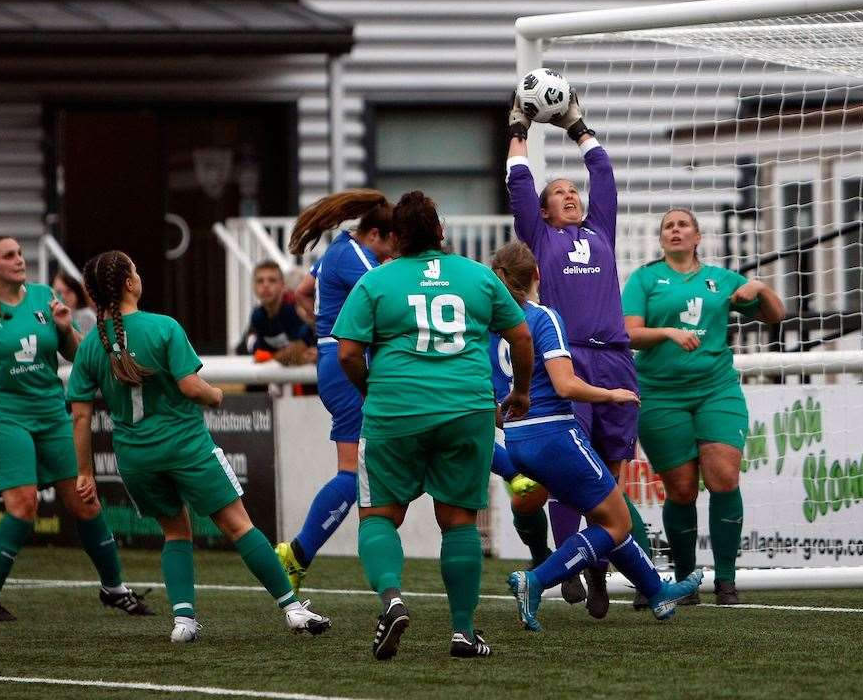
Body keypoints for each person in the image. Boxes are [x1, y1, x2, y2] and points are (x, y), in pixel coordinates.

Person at [67, 250, 330, 643]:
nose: (139, 275)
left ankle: (183, 622)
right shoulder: (163, 327)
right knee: (239, 526)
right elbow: (191, 386)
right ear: (128, 284)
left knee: (175, 533)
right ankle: (292, 608)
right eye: (135, 270)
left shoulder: (91, 346)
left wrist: (85, 472)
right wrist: (216, 396)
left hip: (136, 457)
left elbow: (81, 416)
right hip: (185, 446)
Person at [333, 191, 534, 660]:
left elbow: (346, 352)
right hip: (467, 410)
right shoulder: (478, 276)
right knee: (459, 520)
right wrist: (520, 392)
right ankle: (463, 631)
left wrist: (371, 390)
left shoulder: (377, 281)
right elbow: (521, 336)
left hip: (395, 409)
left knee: (380, 515)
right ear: (441, 233)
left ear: (397, 238)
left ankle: (393, 600)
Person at [0, 236, 151, 622]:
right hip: (3, 416)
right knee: (24, 505)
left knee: (85, 500)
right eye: (9, 256)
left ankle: (114, 589)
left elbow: (76, 354)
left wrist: (66, 329)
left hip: (50, 412)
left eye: (19, 253)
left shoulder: (44, 297)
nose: (19, 260)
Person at [488, 241, 703, 631]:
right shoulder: (543, 318)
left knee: (606, 516)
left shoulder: (492, 328)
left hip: (518, 441)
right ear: (538, 274)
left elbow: (492, 402)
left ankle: (657, 592)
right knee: (617, 522)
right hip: (555, 436)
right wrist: (611, 394)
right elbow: (566, 386)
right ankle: (535, 581)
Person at [505, 89, 651, 617]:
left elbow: (605, 175)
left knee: (611, 472)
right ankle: (565, 566)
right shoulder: (540, 239)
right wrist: (519, 132)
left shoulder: (600, 230)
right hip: (570, 362)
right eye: (560, 192)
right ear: (543, 212)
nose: (570, 195)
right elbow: (519, 186)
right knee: (572, 471)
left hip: (615, 357)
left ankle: (595, 564)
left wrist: (578, 127)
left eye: (573, 190)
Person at [622, 209, 785, 604]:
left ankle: (726, 581)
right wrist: (668, 333)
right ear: (662, 239)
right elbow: (629, 335)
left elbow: (776, 316)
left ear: (697, 236)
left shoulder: (722, 280)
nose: (675, 230)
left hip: (717, 390)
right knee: (680, 490)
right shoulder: (644, 279)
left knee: (724, 476)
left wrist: (760, 288)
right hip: (660, 394)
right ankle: (684, 580)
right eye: (668, 226)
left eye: (682, 225)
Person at [273, 190, 395, 591]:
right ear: (376, 234)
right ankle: (298, 552)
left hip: (333, 360)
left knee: (363, 464)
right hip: (349, 365)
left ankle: (299, 554)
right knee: (351, 470)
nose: (392, 252)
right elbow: (386, 299)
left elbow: (303, 292)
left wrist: (323, 325)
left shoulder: (338, 249)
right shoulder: (358, 258)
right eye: (392, 244)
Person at [245, 259, 317, 366]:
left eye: (272, 280)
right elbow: (255, 350)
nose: (266, 285)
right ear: (254, 287)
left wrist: (271, 356)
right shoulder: (257, 316)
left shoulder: (294, 310)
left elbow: (298, 352)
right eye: (260, 281)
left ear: (283, 285)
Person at [52, 271, 96, 336]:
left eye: (68, 291)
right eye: (58, 292)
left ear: (76, 292)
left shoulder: (87, 316)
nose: (63, 297)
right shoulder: (52, 316)